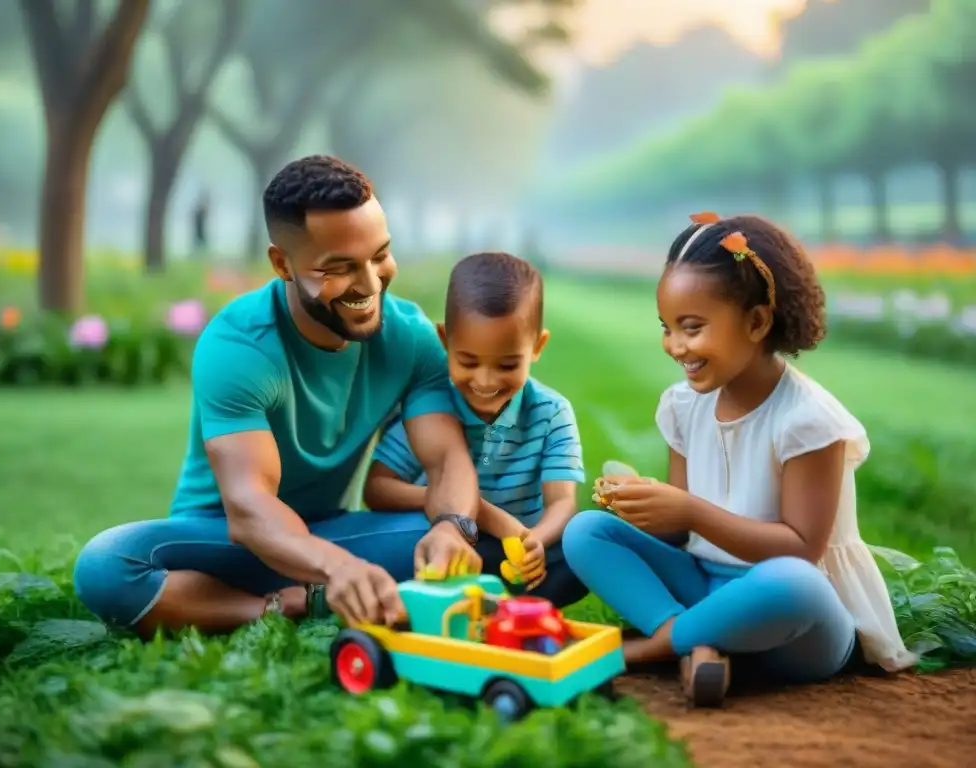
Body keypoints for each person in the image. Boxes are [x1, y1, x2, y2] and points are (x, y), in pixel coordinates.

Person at [72, 155, 484, 638]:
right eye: (340, 268)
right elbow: (248, 508)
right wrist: (336, 567)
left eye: (379, 256)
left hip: (332, 532)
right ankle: (275, 607)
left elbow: (446, 458)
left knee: (505, 533)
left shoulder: (411, 338)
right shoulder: (238, 346)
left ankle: (336, 592)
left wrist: (453, 527)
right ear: (282, 263)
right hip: (226, 545)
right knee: (106, 564)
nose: (370, 284)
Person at [562, 212, 917, 707]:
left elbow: (800, 550)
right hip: (704, 586)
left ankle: (652, 648)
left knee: (795, 584)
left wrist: (688, 510)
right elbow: (684, 535)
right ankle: (696, 644)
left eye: (692, 328)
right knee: (586, 531)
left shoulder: (808, 421)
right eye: (667, 328)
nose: (675, 346)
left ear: (756, 322)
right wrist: (647, 508)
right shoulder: (684, 406)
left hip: (795, 625)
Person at [364, 252, 589, 608]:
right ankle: (471, 597)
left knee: (584, 544)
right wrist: (477, 512)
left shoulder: (551, 412)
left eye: (507, 364)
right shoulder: (432, 409)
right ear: (444, 340)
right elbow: (377, 489)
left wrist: (534, 542)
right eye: (468, 361)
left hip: (517, 553)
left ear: (538, 347)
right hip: (446, 542)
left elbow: (562, 502)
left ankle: (486, 599)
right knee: (408, 544)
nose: (485, 381)